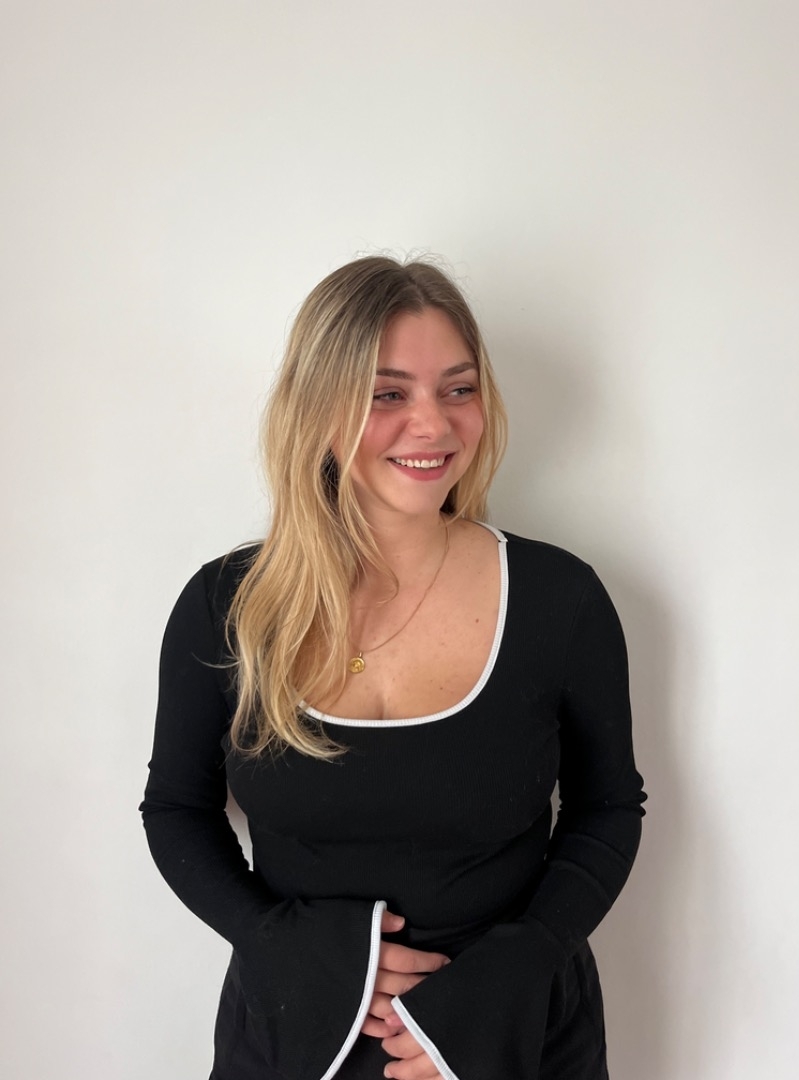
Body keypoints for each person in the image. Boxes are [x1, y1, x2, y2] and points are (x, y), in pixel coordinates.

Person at [140, 255, 646, 1080]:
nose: (434, 425)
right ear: (319, 409)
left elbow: (609, 806)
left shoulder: (561, 598)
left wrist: (521, 966)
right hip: (293, 1028)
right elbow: (176, 809)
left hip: (515, 1032)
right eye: (388, 395)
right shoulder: (228, 605)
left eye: (458, 388)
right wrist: (282, 946)